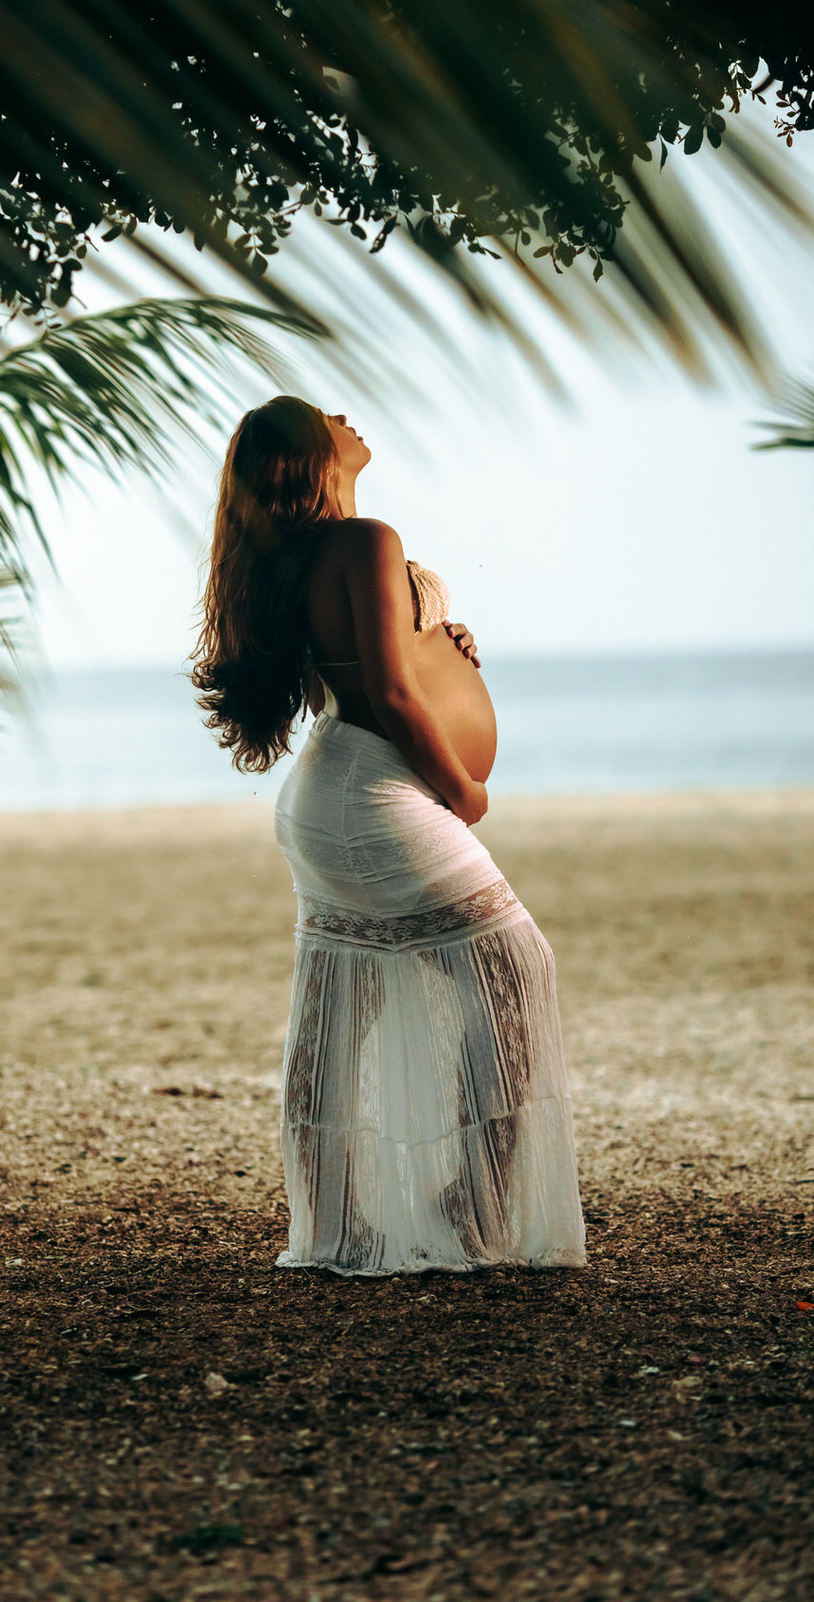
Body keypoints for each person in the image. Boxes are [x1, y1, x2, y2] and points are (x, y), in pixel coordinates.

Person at [193, 396, 585, 1275]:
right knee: (514, 972)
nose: (346, 415)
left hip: (331, 799)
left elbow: (381, 666)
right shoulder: (363, 540)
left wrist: (439, 637)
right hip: (376, 796)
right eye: (325, 416)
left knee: (341, 1009)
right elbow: (395, 697)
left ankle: (339, 1224)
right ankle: (467, 1207)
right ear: (310, 456)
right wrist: (465, 789)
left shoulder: (302, 554)